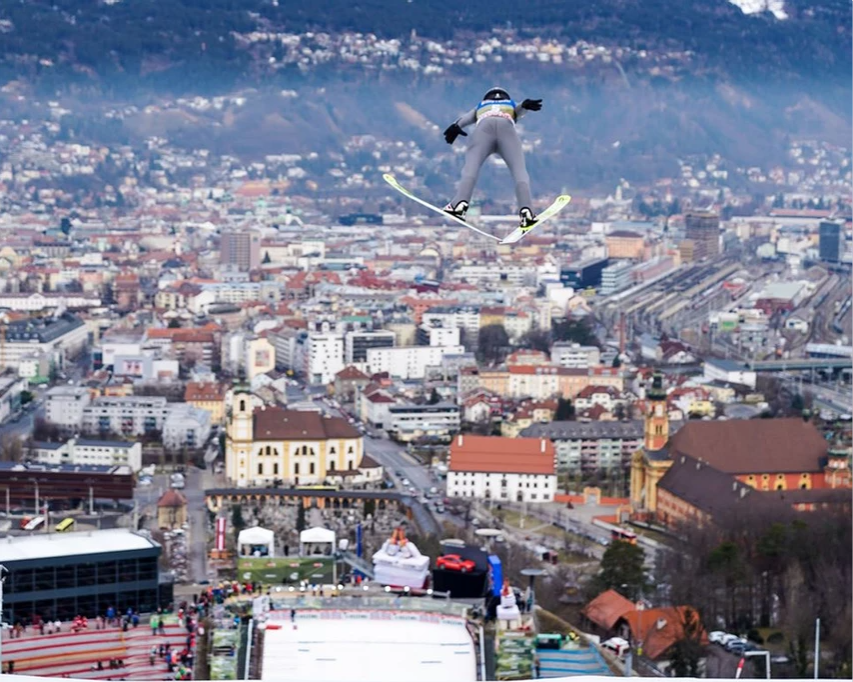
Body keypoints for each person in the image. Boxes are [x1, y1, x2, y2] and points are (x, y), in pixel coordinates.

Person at [443, 87, 543, 228]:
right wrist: (525, 105)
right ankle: (526, 211)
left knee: (471, 168)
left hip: (483, 129)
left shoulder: (480, 106)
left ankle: (459, 204)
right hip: (507, 129)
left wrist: (455, 126)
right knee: (519, 171)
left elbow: (464, 119)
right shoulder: (510, 104)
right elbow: (520, 109)